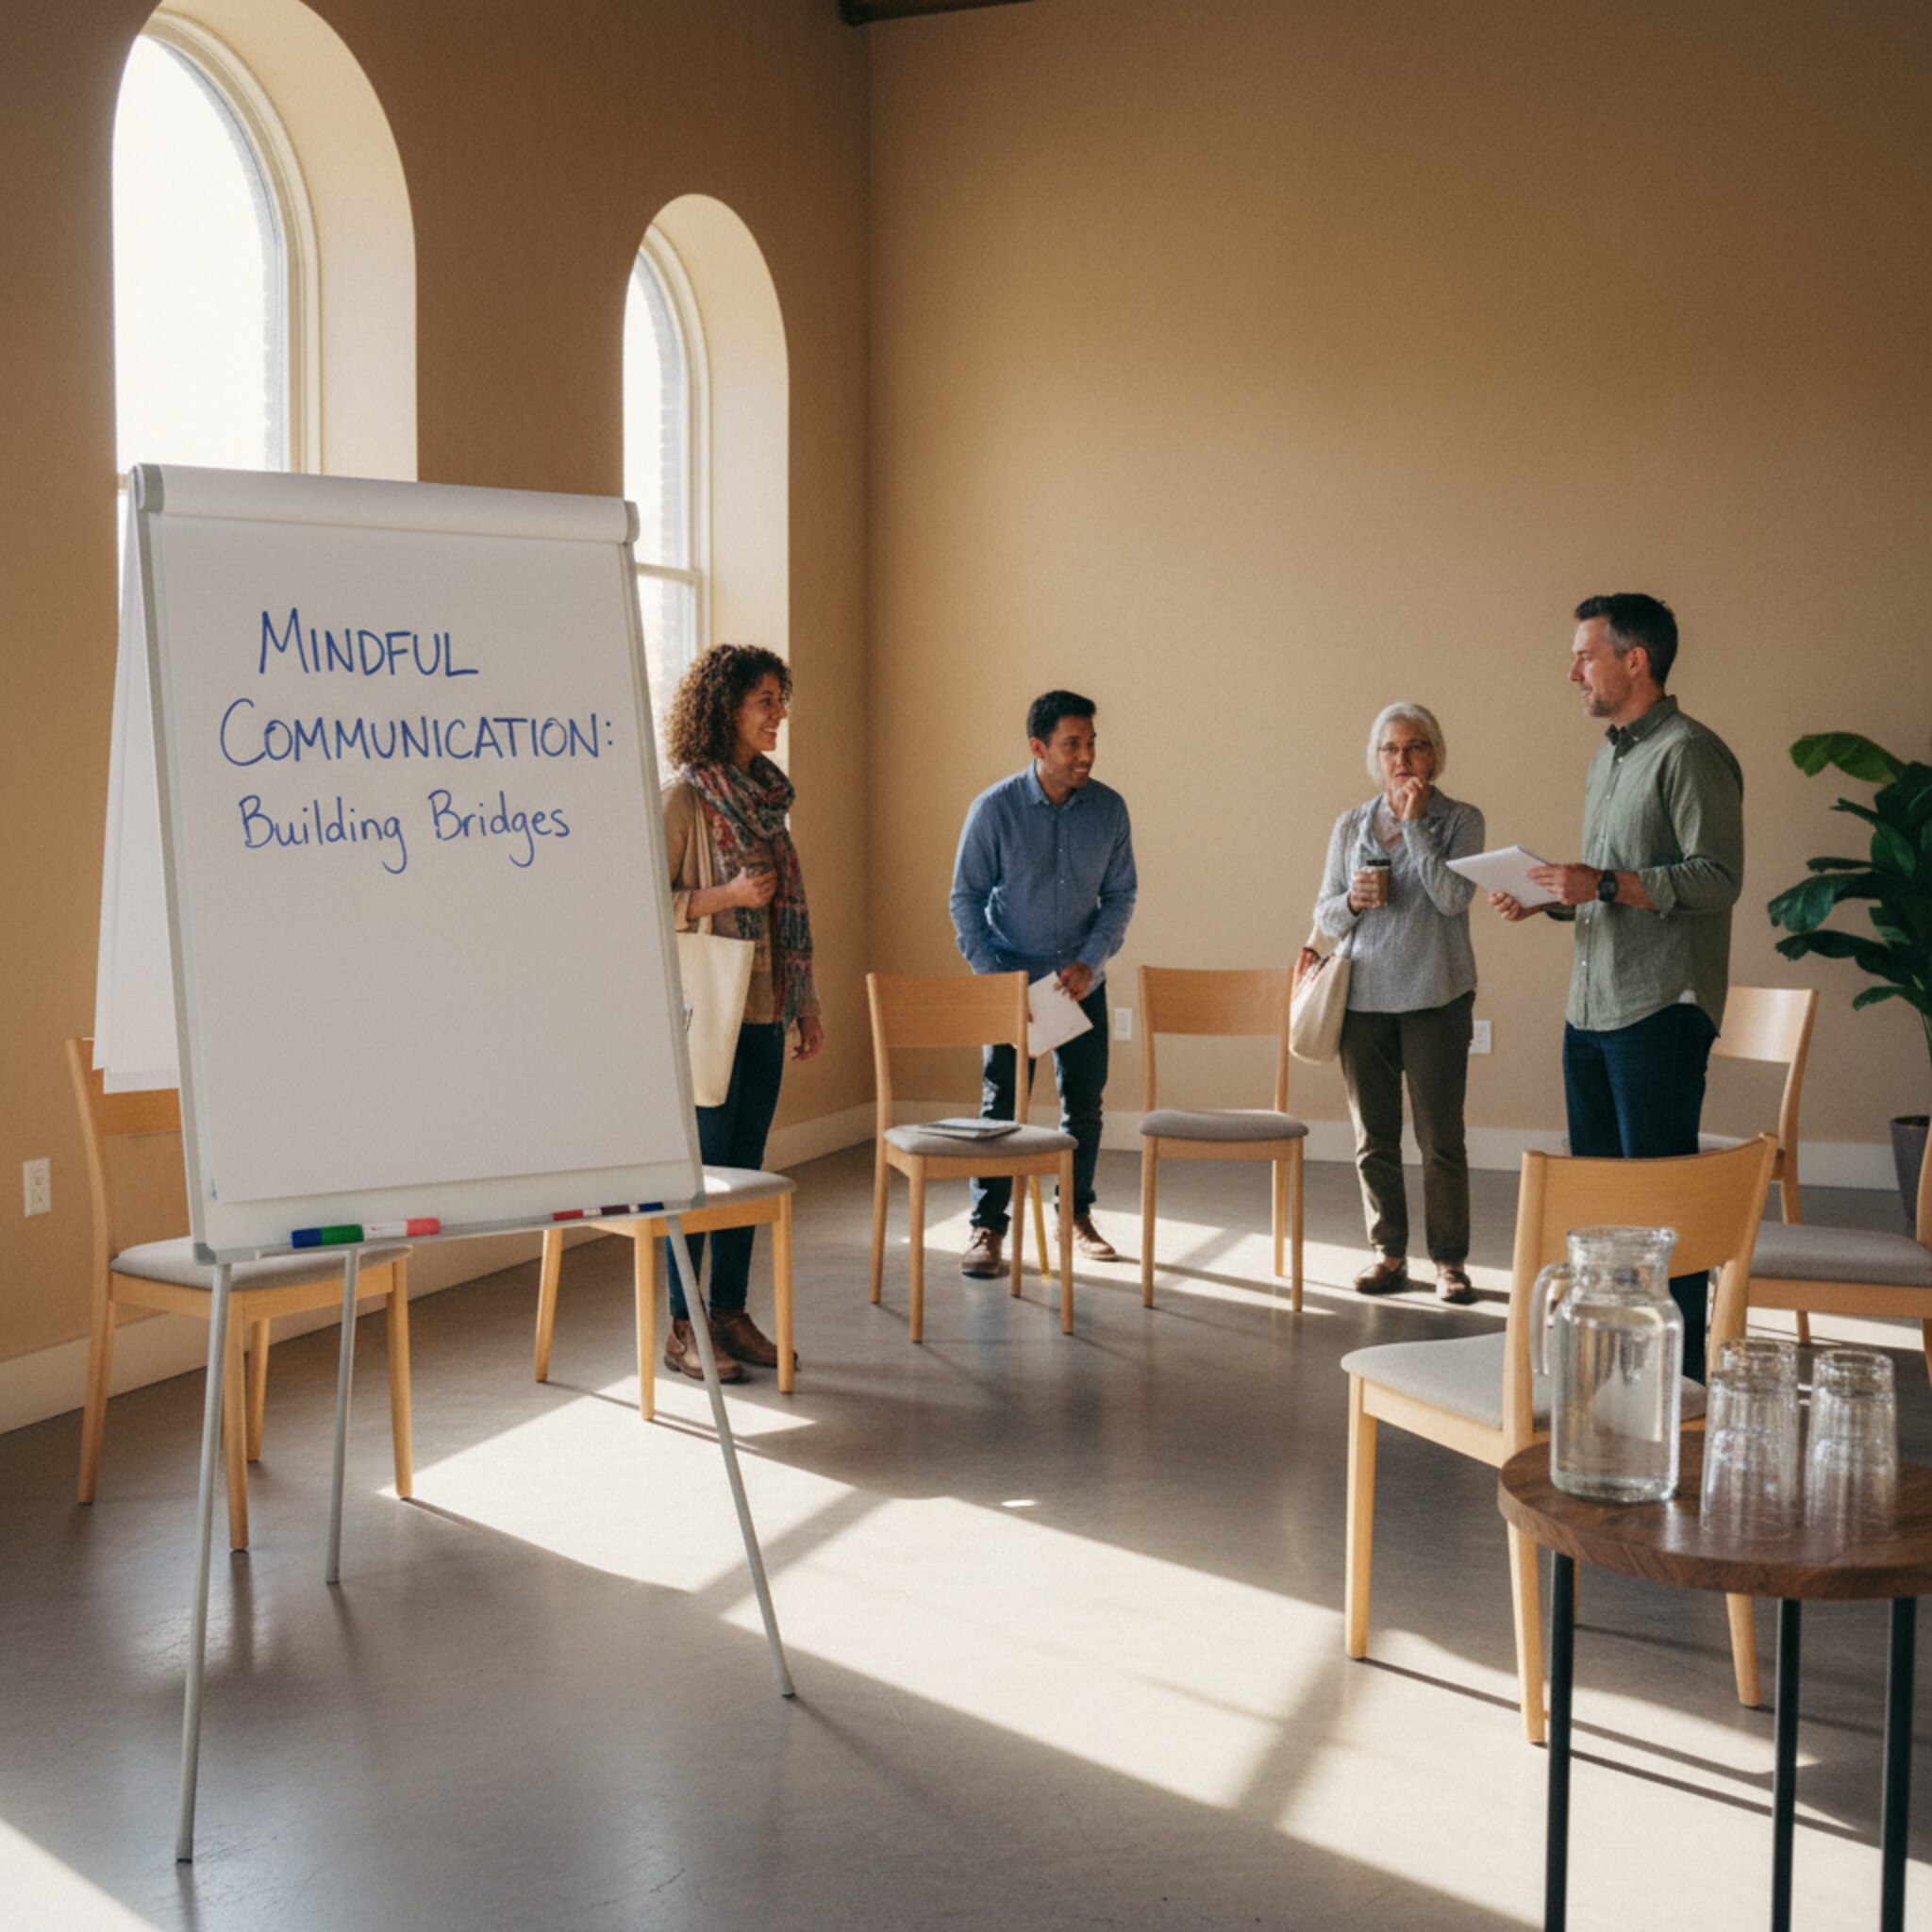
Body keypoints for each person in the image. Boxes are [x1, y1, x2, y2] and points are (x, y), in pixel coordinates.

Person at [1490, 592, 1743, 1380]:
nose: (1573, 672)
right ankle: (1614, 1376)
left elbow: (1716, 878)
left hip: (1659, 1009)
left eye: (1585, 656)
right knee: (1599, 1213)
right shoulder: (1609, 756)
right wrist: (1556, 898)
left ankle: (1684, 1382)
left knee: (1666, 1214)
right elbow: (1611, 888)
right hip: (1591, 1012)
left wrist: (1597, 884)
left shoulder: (1692, 752)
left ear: (1636, 661)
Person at [661, 643, 823, 1380]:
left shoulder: (769, 804)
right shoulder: (683, 800)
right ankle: (683, 1326)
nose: (778, 713)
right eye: (765, 699)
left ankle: (728, 1311)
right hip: (707, 1016)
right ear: (725, 706)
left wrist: (804, 1003)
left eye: (779, 698)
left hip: (762, 1009)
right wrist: (725, 898)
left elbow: (793, 912)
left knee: (745, 1168)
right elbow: (638, 907)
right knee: (698, 1174)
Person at [950, 690, 1138, 1276]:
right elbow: (966, 898)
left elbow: (1121, 895)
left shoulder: (1109, 810)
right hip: (1012, 978)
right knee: (999, 1107)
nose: (1086, 756)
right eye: (1072, 744)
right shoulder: (994, 810)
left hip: (1081, 981)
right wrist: (994, 979)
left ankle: (1075, 1215)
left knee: (1084, 1105)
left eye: (1091, 743)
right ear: (1039, 747)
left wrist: (1091, 958)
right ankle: (987, 1228)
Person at [1316, 704, 1485, 1304]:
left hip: (1435, 995)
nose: (1402, 760)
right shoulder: (1349, 825)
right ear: (1377, 758)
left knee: (1441, 1136)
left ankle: (1449, 1261)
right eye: (1390, 749)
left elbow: (1452, 899)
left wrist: (1415, 829)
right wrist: (1354, 903)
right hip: (1363, 1000)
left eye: (1414, 747)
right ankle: (1388, 1253)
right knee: (1374, 1135)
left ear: (1434, 755)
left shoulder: (1461, 821)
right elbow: (1324, 914)